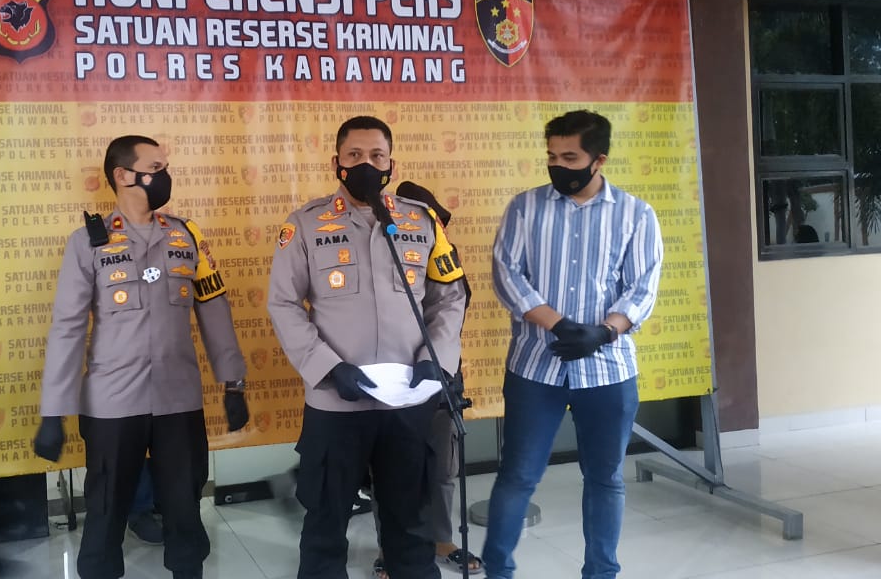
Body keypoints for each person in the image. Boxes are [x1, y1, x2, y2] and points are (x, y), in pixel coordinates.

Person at [33, 135, 249, 579]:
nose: (164, 175)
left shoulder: (186, 235)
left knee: (184, 508)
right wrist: (53, 412)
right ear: (122, 175)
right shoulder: (88, 242)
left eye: (165, 166)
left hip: (178, 398)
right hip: (112, 402)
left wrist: (234, 382)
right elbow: (68, 328)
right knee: (106, 508)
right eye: (155, 168)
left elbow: (214, 307)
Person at [268, 116, 468, 579]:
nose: (366, 164)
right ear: (336, 163)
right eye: (355, 155)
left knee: (410, 523)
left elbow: (449, 298)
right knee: (325, 523)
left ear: (391, 164)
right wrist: (327, 367)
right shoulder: (305, 224)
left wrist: (435, 362)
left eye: (377, 156)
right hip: (336, 401)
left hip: (407, 401)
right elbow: (283, 303)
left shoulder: (421, 221)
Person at [483, 110, 663, 579]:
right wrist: (559, 325)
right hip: (534, 367)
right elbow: (506, 274)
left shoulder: (636, 215)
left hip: (608, 370)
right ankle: (497, 571)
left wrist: (603, 332)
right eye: (552, 156)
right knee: (518, 476)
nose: (558, 166)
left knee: (605, 478)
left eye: (570, 157)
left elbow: (642, 288)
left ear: (598, 160)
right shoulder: (525, 208)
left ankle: (601, 573)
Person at [369, 181, 481, 579]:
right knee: (388, 471)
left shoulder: (445, 255)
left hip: (442, 378)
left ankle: (442, 539)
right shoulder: (382, 255)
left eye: (439, 223)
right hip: (394, 379)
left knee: (442, 467)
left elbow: (453, 312)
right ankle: (388, 548)